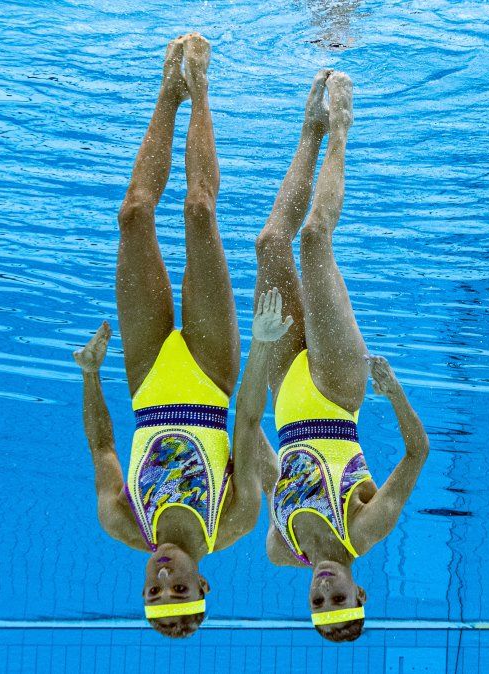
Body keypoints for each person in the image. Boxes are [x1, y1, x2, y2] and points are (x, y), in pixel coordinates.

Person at [72, 33, 293, 639]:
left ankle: (168, 91)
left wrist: (90, 375)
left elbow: (101, 449)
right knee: (199, 212)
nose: (164, 577)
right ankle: (200, 86)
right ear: (203, 587)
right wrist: (266, 343)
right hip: (209, 374)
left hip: (144, 382)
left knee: (133, 215)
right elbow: (247, 425)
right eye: (178, 590)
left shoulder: (123, 524)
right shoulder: (237, 519)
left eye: (154, 590)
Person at [252, 69, 430, 642]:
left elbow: (258, 453)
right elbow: (418, 452)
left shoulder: (283, 548)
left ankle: (310, 131)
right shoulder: (366, 529)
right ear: (360, 593)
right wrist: (394, 390)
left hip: (284, 393)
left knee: (270, 243)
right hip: (336, 389)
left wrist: (244, 404)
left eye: (318, 599)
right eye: (339, 597)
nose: (325, 586)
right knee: (313, 241)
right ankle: (342, 128)